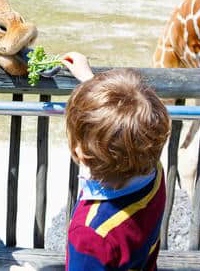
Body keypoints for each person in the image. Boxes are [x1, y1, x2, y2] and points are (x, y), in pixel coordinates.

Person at [60, 52, 170, 271]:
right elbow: (127, 135)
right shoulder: (151, 171)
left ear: (79, 153)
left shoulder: (90, 235)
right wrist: (89, 79)